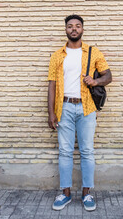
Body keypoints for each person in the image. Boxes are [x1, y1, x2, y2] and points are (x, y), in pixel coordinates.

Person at [48, 14, 112, 211]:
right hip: (64, 107)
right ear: (65, 30)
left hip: (87, 108)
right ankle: (65, 193)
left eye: (77, 26)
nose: (74, 29)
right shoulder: (57, 55)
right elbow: (52, 84)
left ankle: (87, 193)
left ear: (82, 29)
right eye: (70, 26)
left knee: (87, 151)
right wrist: (51, 112)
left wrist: (95, 81)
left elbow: (108, 76)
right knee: (65, 152)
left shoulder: (93, 52)